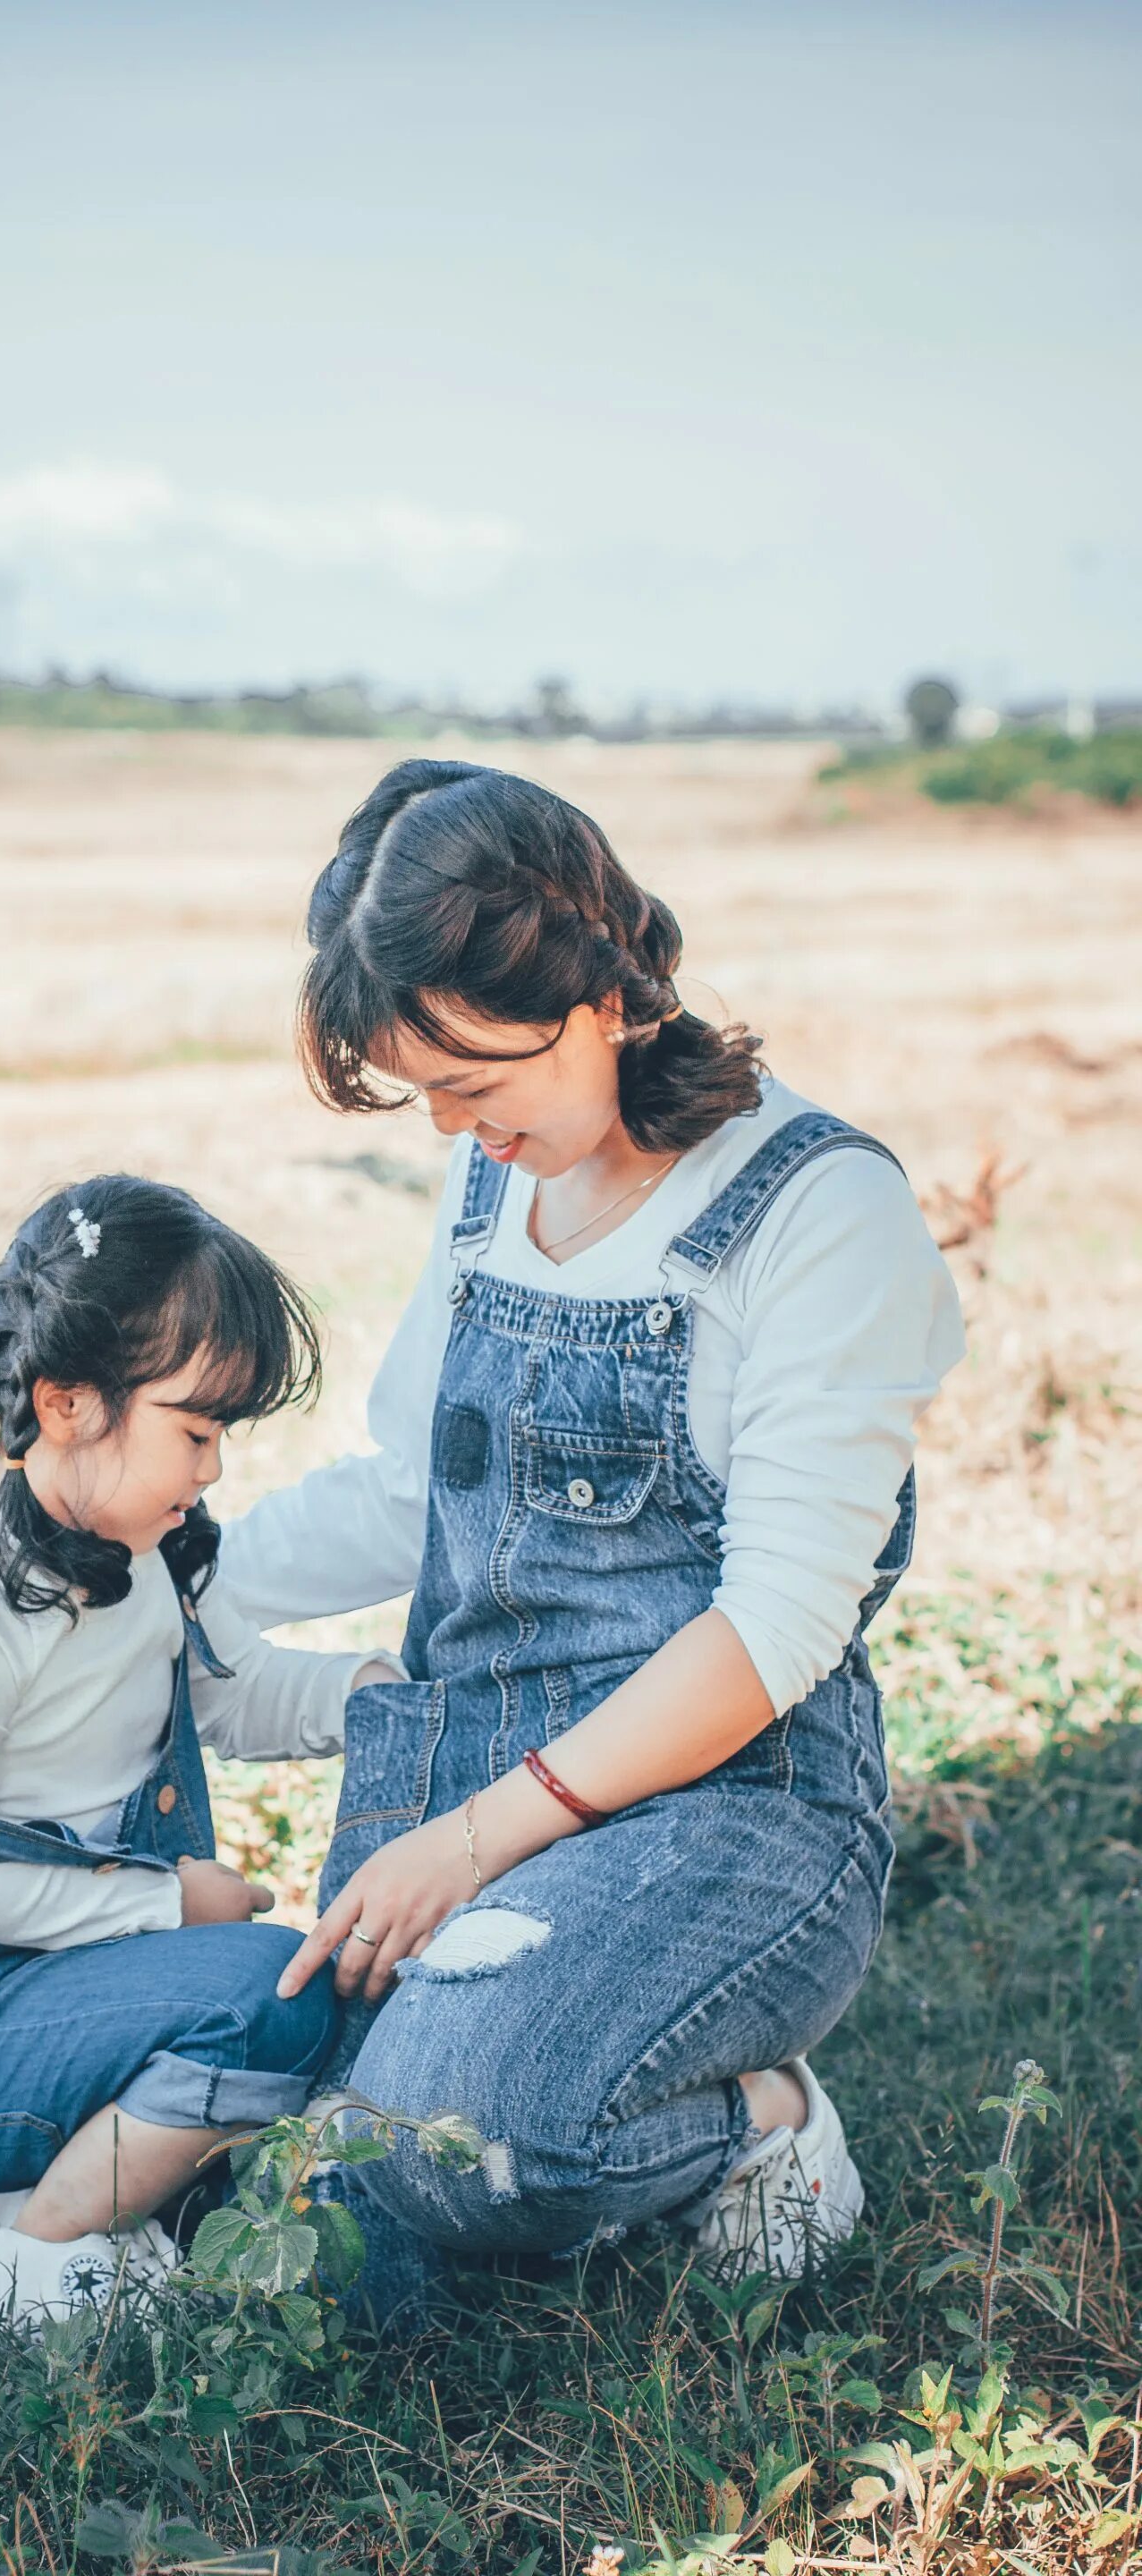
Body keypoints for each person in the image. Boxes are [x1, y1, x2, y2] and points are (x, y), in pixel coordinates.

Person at [219, 758, 965, 2323]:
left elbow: (773, 1635)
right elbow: (418, 1491)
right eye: (423, 1092)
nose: (450, 1131)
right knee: (327, 2210)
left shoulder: (819, 1215)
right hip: (473, 1777)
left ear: (602, 993)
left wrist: (477, 1840)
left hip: (730, 1811)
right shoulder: (504, 1178)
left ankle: (764, 2122)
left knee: (462, 2143)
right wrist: (172, 1577)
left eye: (471, 1082)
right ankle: (591, 2129)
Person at [0, 1175, 402, 2332]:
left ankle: (130, 2214)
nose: (215, 1469)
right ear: (68, 1405)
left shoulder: (151, 1559)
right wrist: (166, 1904)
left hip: (79, 1990)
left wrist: (368, 1693)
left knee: (325, 1991)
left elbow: (235, 1694)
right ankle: (34, 2258)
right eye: (196, 1431)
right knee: (274, 1985)